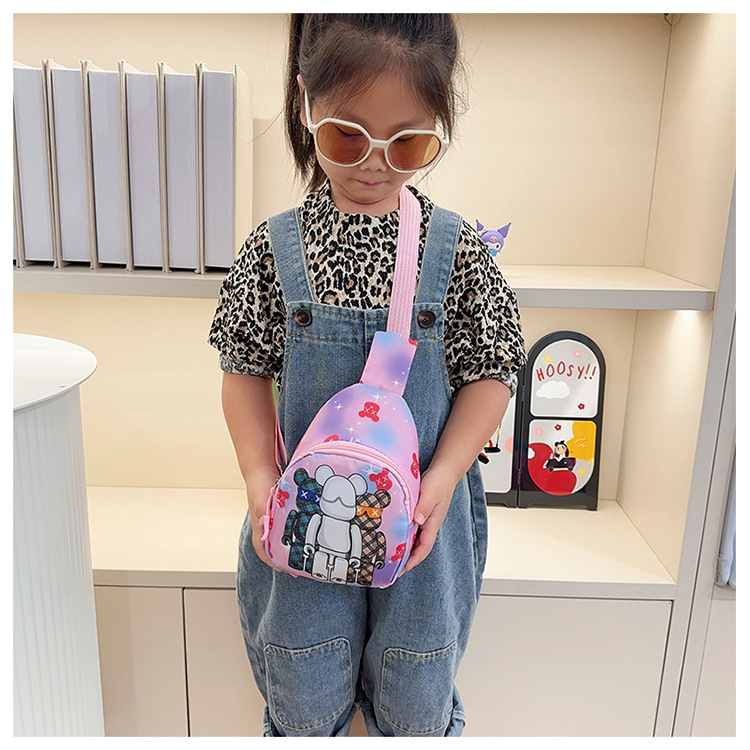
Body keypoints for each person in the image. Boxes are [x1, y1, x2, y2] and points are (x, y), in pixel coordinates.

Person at [208, 13, 527, 737]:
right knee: (302, 688)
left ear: (437, 130)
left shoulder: (458, 252)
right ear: (305, 105)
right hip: (304, 513)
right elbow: (242, 369)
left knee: (416, 692)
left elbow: (493, 370)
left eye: (407, 143)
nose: (374, 164)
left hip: (422, 526)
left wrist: (444, 476)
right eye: (347, 137)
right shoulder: (273, 250)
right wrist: (258, 475)